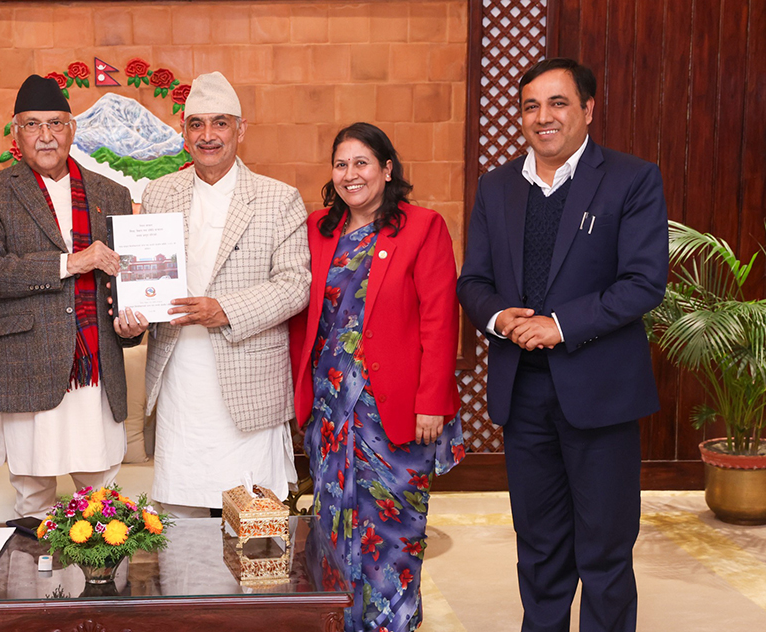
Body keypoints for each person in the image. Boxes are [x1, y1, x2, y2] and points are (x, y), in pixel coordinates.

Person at [457, 58, 668, 632]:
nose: (542, 117)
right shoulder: (495, 186)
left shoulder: (631, 178)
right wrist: (500, 317)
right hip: (522, 395)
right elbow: (472, 281)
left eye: (558, 103)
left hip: (600, 396)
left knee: (604, 553)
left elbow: (643, 281)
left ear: (588, 110)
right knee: (540, 549)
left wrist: (560, 324)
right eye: (530, 106)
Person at [289, 122, 464, 631]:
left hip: (395, 407)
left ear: (388, 169)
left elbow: (439, 317)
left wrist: (432, 399)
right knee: (333, 524)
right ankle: (337, 621)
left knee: (392, 527)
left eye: (362, 163)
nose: (351, 174)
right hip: (329, 410)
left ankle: (394, 623)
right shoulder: (317, 228)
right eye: (341, 164)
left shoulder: (422, 226)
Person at [0, 75, 147, 520]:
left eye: (56, 123)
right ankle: (33, 589)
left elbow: (128, 283)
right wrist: (69, 263)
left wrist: (134, 324)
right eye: (33, 125)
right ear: (16, 133)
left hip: (95, 369)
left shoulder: (112, 194)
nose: (46, 135)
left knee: (101, 504)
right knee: (32, 502)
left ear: (72, 129)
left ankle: (101, 586)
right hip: (28, 366)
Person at [141, 71, 310, 518]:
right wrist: (132, 312)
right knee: (181, 517)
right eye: (197, 124)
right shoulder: (158, 194)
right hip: (180, 376)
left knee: (255, 523)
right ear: (183, 132)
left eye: (220, 123)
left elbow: (296, 285)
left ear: (241, 129)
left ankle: (254, 592)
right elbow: (142, 279)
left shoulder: (278, 198)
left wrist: (225, 310)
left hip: (249, 379)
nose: (208, 135)